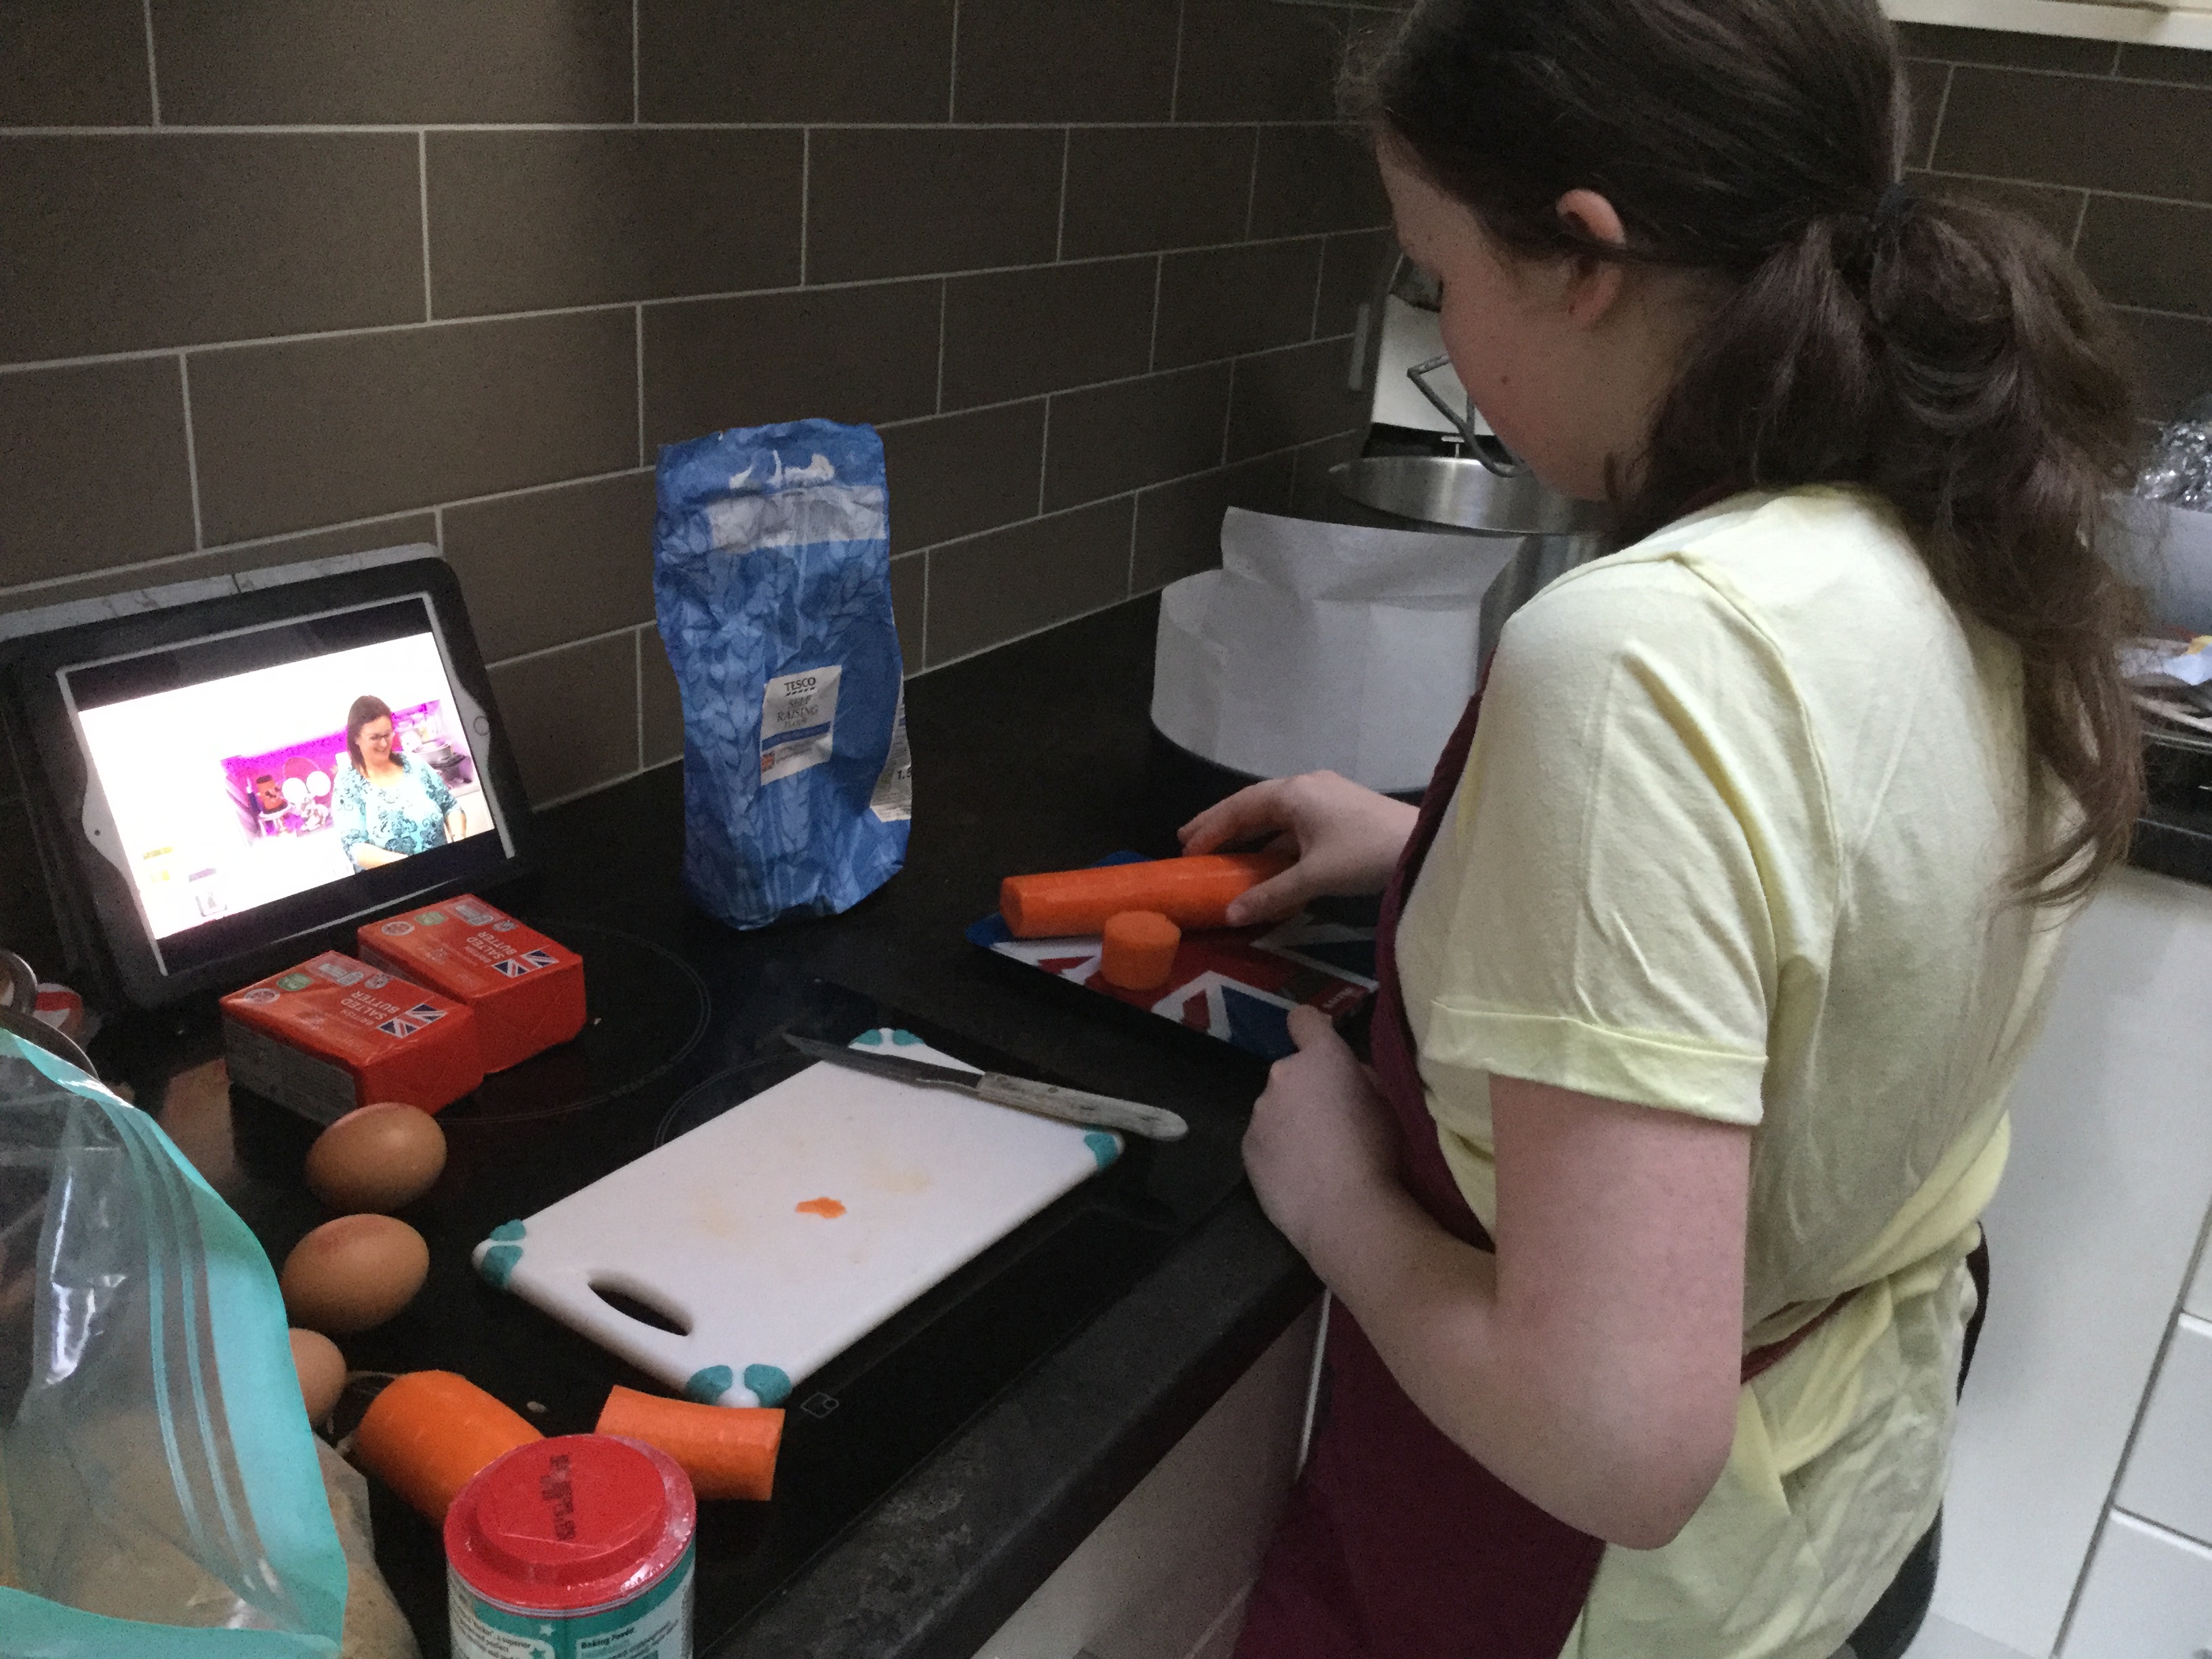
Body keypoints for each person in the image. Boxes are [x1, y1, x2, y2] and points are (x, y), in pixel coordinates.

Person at [1182, 3, 2142, 1656]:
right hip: (1847, 1508)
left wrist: (1336, 1193)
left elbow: (1612, 1442)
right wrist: (1444, 854)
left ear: (1583, 256)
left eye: (1435, 271)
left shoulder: (1642, 657)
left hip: (1609, 1596)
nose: (1445, 329)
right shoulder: (1961, 527)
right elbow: (1837, 909)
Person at [332, 695, 466, 869]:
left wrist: (459, 840)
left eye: (387, 735)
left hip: (443, 869)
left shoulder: (414, 764)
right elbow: (354, 847)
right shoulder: (348, 782)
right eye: (374, 737)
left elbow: (450, 806)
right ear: (356, 739)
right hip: (393, 879)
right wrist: (410, 867)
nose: (383, 744)